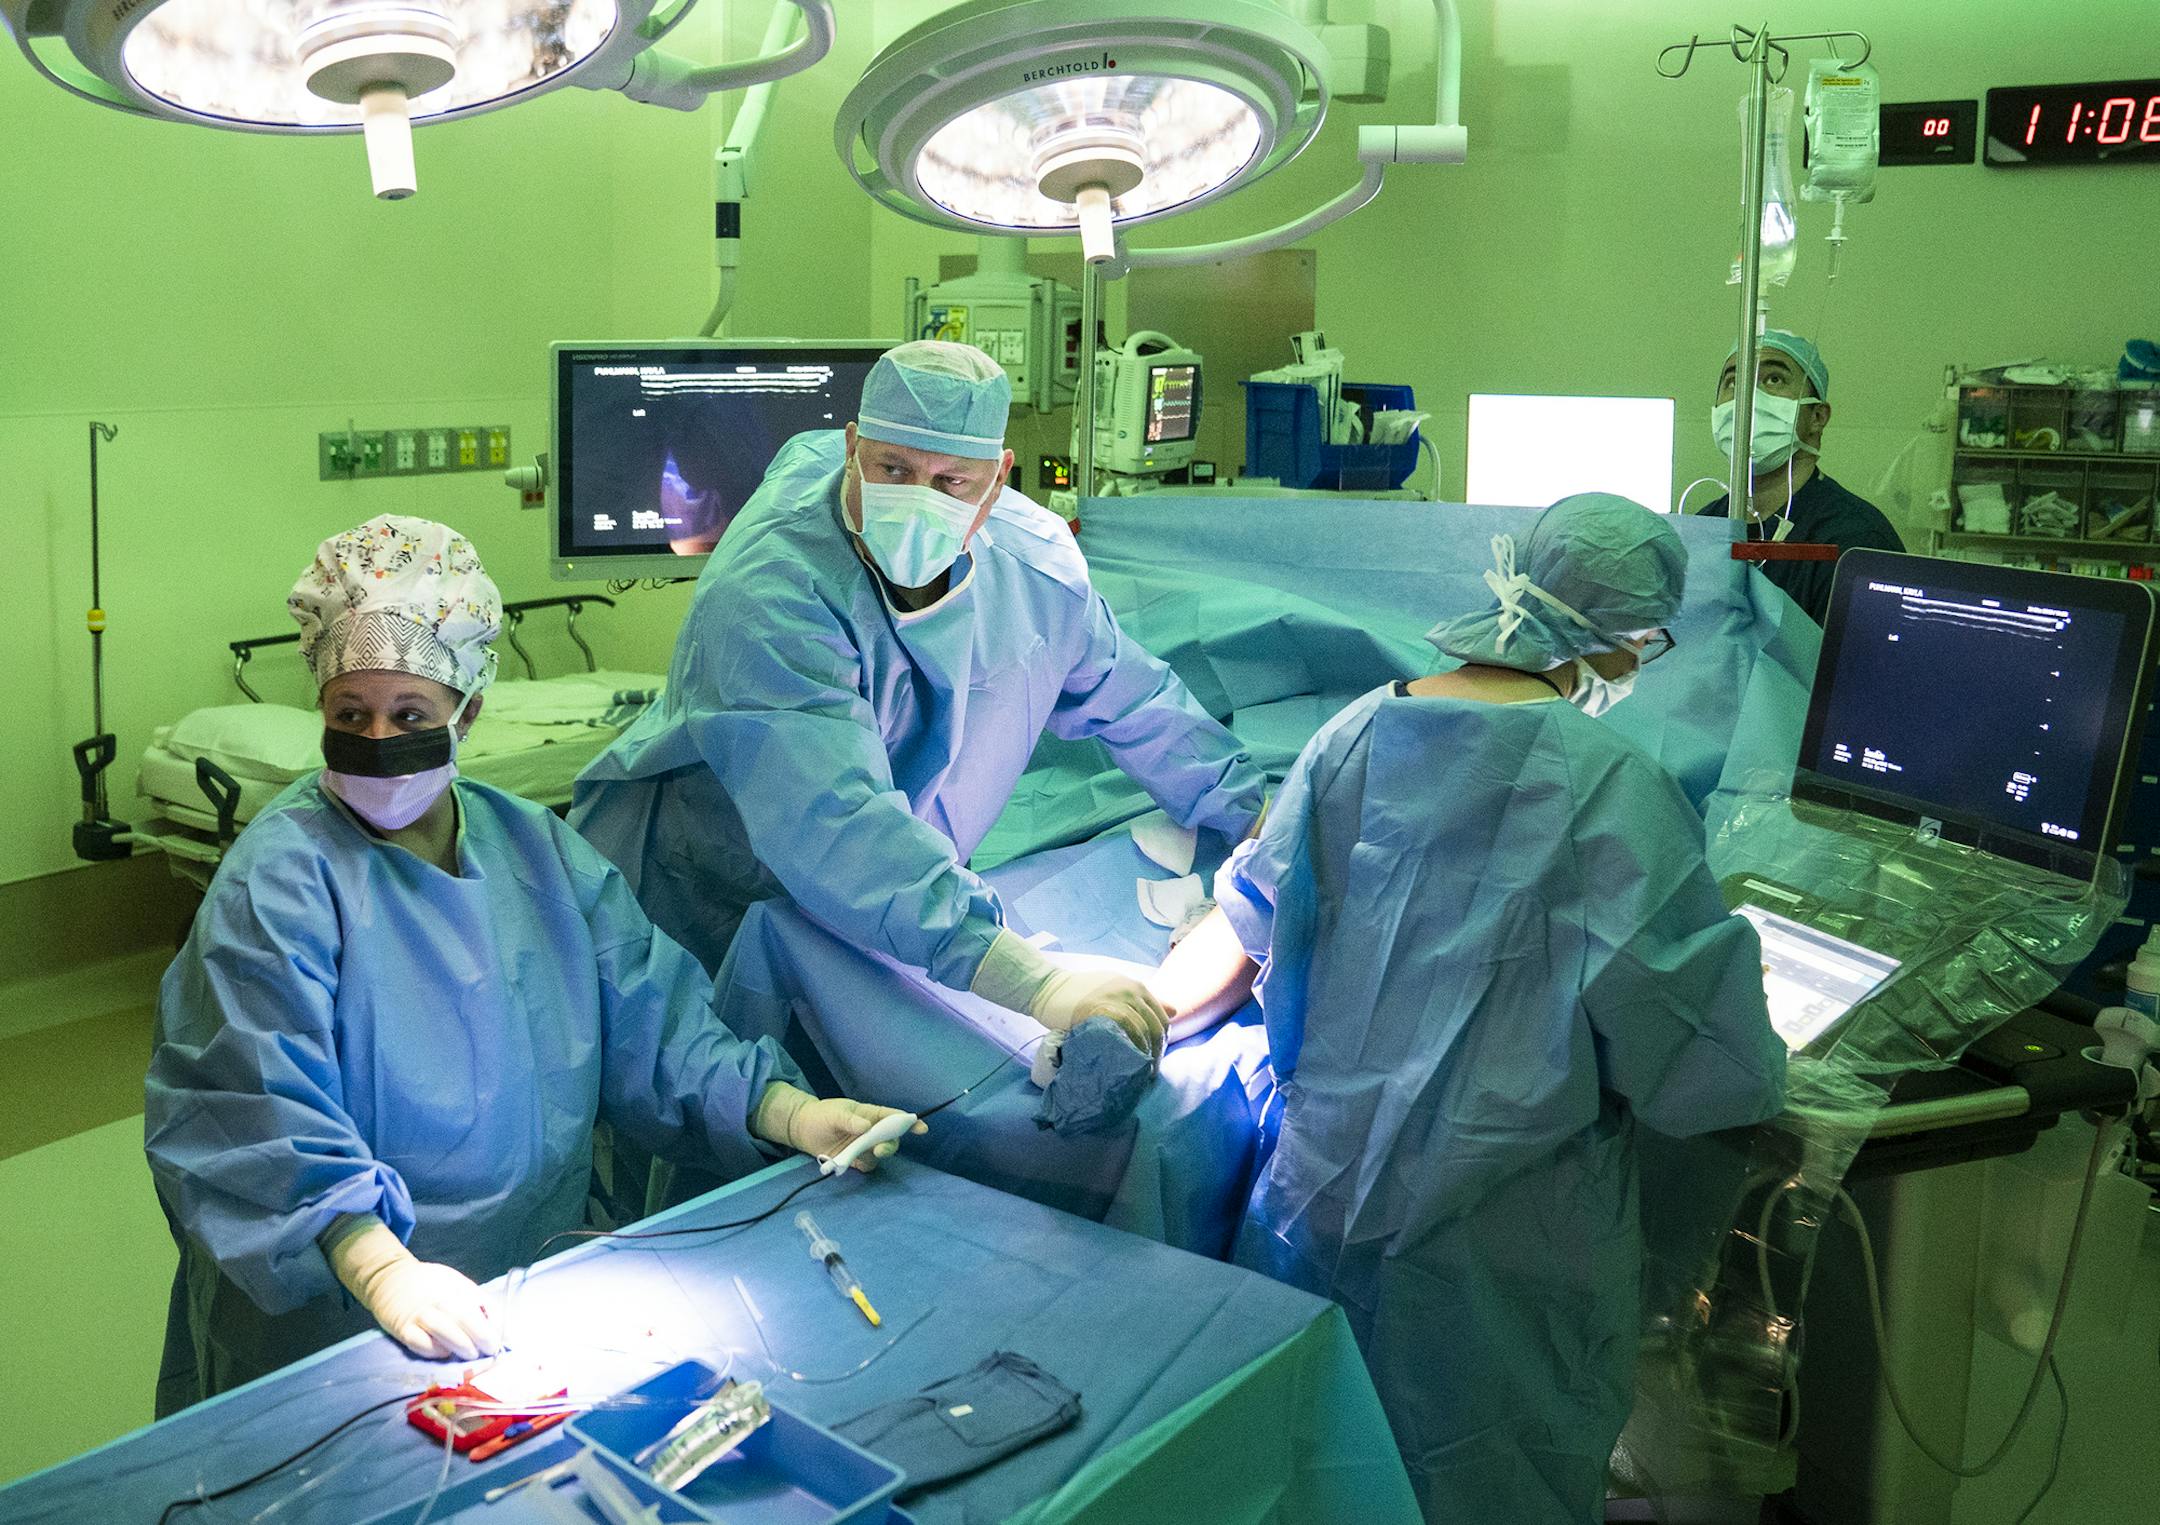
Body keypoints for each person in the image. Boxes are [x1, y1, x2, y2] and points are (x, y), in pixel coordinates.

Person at [145, 515, 922, 1413]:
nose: (376, 739)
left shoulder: (537, 856)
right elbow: (250, 1111)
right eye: (349, 716)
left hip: (526, 1294)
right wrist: (380, 1266)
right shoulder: (276, 888)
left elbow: (657, 1027)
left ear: (467, 711)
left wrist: (793, 1113)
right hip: (329, 1317)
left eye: (411, 716)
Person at [1150, 494, 1789, 1523]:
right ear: (1623, 641)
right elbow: (1712, 1064)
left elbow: (1254, 915)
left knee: (1319, 1480)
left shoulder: (1351, 733)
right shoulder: (1614, 789)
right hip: (1499, 1272)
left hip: (1316, 1213)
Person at [572, 340, 1265, 1062]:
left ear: (998, 480)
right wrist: (1033, 984)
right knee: (718, 1109)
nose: (917, 499)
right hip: (712, 889)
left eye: (951, 481)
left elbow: (1131, 698)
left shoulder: (1035, 568)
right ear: (853, 447)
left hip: (888, 896)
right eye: (894, 469)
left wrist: (1250, 808)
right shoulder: (770, 592)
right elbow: (839, 827)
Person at [1695, 329, 1902, 624]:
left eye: (1774, 379)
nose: (1747, 399)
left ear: (1817, 416)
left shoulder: (1855, 541)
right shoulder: (1706, 528)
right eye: (1733, 381)